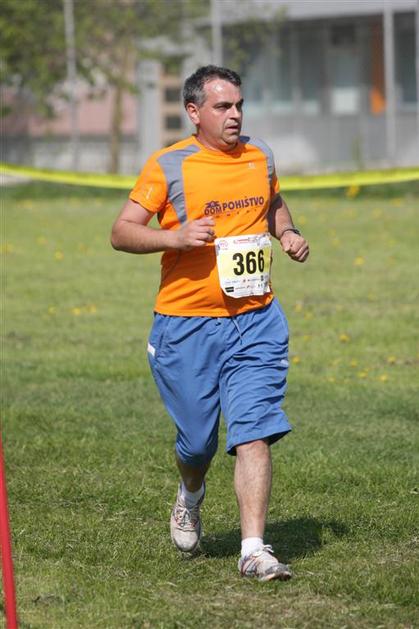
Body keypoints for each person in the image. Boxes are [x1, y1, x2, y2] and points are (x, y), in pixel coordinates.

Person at [111, 65, 309, 582]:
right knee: (198, 444)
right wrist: (173, 238)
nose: (235, 114)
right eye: (223, 106)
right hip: (186, 326)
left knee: (255, 430)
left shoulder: (260, 155)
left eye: (239, 104)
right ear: (194, 112)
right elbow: (121, 231)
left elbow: (273, 203)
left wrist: (287, 232)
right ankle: (191, 491)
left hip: (255, 319)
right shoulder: (169, 165)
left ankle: (253, 550)